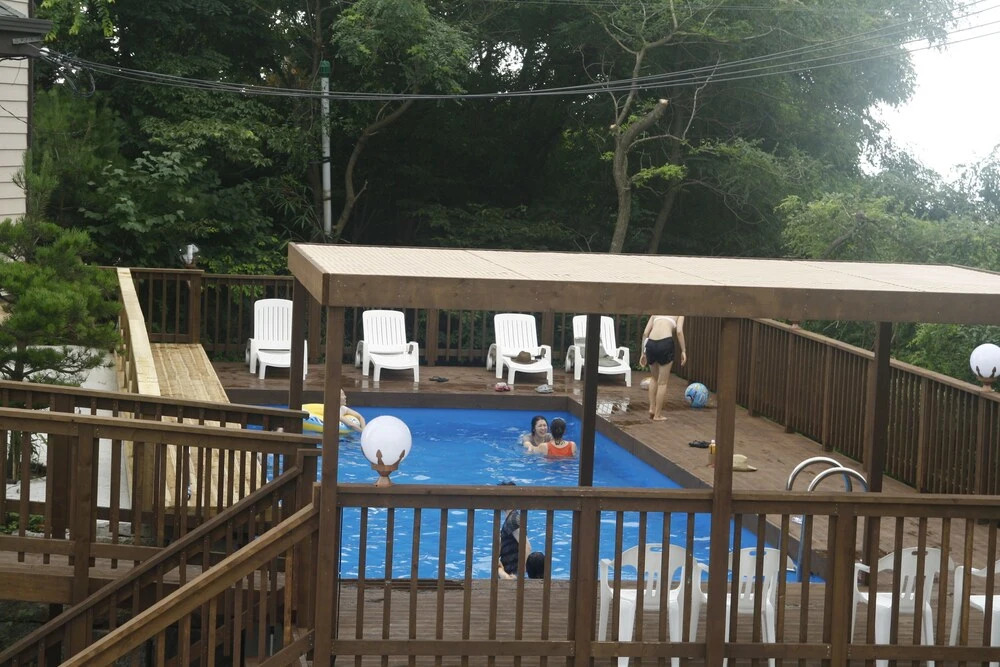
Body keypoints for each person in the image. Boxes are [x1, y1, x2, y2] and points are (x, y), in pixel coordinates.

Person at [639, 315, 687, 421]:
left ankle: (652, 408)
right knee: (662, 383)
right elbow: (679, 332)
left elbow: (645, 333)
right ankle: (657, 415)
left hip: (651, 344)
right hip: (665, 343)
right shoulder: (679, 313)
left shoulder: (656, 312)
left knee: (654, 378)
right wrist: (683, 350)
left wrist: (643, 353)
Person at [497, 481, 534, 578]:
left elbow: (527, 546)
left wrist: (520, 575)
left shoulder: (512, 520)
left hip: (512, 575)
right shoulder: (511, 518)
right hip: (508, 572)